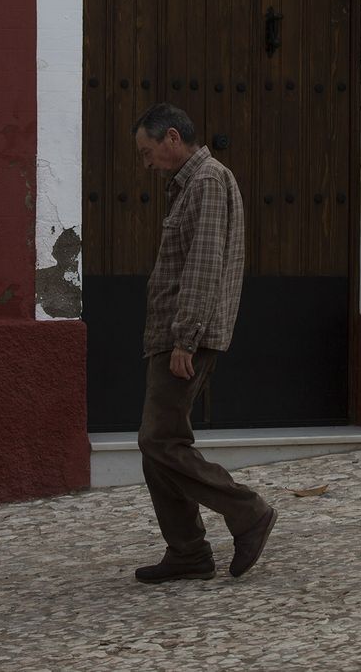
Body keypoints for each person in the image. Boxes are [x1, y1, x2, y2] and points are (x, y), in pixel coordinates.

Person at [130, 102, 276, 583]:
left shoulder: (207, 181)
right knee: (160, 443)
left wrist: (184, 340)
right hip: (172, 334)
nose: (147, 164)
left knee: (159, 440)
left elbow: (203, 266)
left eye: (149, 152)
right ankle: (188, 551)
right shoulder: (192, 183)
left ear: (173, 138)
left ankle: (246, 511)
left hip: (184, 335)